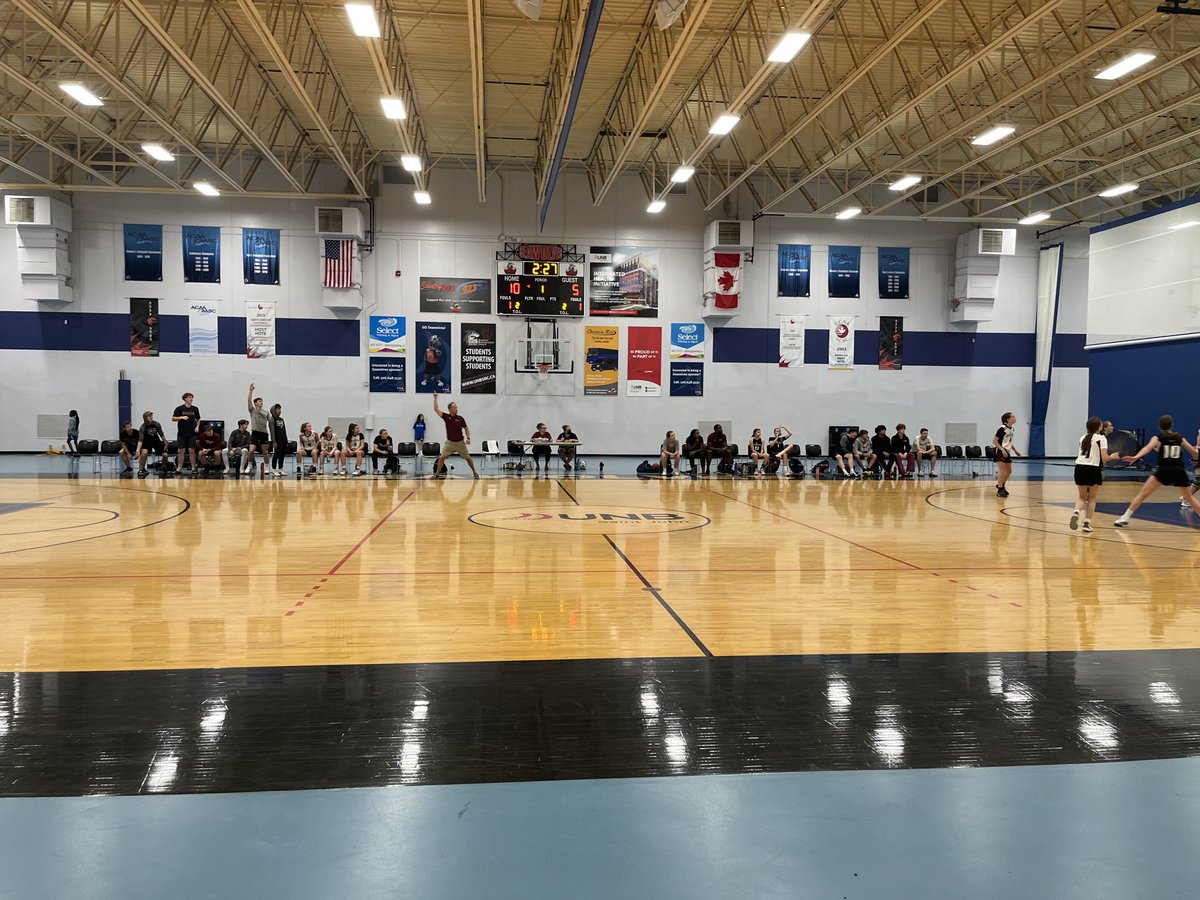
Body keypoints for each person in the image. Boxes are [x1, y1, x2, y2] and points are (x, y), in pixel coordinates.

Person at [1113, 415, 1200, 526]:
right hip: (1179, 471)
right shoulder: (1180, 438)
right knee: (1189, 498)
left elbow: (1147, 448)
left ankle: (1125, 517)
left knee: (1143, 494)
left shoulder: (1157, 438)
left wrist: (1136, 457)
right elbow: (1194, 452)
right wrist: (1195, 460)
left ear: (1160, 426)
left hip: (1163, 470)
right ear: (1171, 425)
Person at [1069, 416, 1119, 534]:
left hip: (1079, 467)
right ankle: (1087, 523)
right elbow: (1105, 458)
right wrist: (1114, 456)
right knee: (1091, 498)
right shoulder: (1101, 439)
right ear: (1099, 427)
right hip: (1093, 469)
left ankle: (1076, 512)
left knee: (1081, 497)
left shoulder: (1082, 438)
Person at [433, 394, 480, 479]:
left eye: (456, 407)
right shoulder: (446, 417)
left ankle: (474, 472)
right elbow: (436, 409)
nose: (456, 409)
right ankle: (437, 474)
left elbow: (466, 428)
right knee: (442, 457)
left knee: (468, 458)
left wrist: (468, 438)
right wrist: (435, 399)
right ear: (450, 409)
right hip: (450, 443)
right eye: (454, 408)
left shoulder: (460, 418)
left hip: (460, 443)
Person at [243, 383, 272, 475]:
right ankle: (249, 465)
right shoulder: (253, 410)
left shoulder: (266, 412)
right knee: (251, 451)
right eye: (259, 401)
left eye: (262, 401)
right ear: (255, 403)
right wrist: (251, 390)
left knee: (265, 451)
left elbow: (270, 422)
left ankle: (267, 467)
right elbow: (248, 400)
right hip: (255, 433)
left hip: (263, 433)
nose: (261, 402)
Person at [993, 411, 1021, 498]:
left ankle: (1001, 485)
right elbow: (994, 441)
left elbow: (1009, 442)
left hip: (1007, 451)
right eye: (1012, 417)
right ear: (1007, 419)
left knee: (1009, 471)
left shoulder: (1012, 429)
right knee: (1002, 470)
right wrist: (1002, 449)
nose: (1014, 418)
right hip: (1000, 450)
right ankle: (1000, 489)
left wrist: (1015, 451)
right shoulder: (1002, 428)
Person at [172, 392, 200, 475]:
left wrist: (197, 426)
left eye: (192, 397)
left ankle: (193, 468)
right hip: (182, 433)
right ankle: (179, 468)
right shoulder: (179, 408)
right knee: (181, 451)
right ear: (185, 399)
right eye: (189, 397)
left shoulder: (195, 409)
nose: (191, 399)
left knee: (192, 451)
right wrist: (181, 417)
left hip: (192, 433)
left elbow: (198, 419)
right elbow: (173, 418)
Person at [134, 410, 168, 478]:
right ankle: (141, 469)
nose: (151, 417)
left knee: (165, 455)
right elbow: (140, 440)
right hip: (147, 442)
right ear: (145, 418)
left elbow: (161, 434)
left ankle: (163, 467)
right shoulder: (143, 427)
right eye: (149, 416)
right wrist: (138, 450)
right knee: (144, 453)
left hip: (156, 441)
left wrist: (166, 443)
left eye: (151, 415)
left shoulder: (156, 424)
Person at [268, 403, 288, 477]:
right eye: (278, 409)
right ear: (273, 410)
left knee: (282, 455)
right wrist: (274, 442)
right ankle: (274, 469)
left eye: (280, 409)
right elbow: (272, 431)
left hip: (283, 440)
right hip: (277, 440)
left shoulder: (281, 419)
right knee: (276, 455)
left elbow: (284, 430)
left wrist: (286, 440)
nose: (279, 411)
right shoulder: (271, 420)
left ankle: (280, 469)